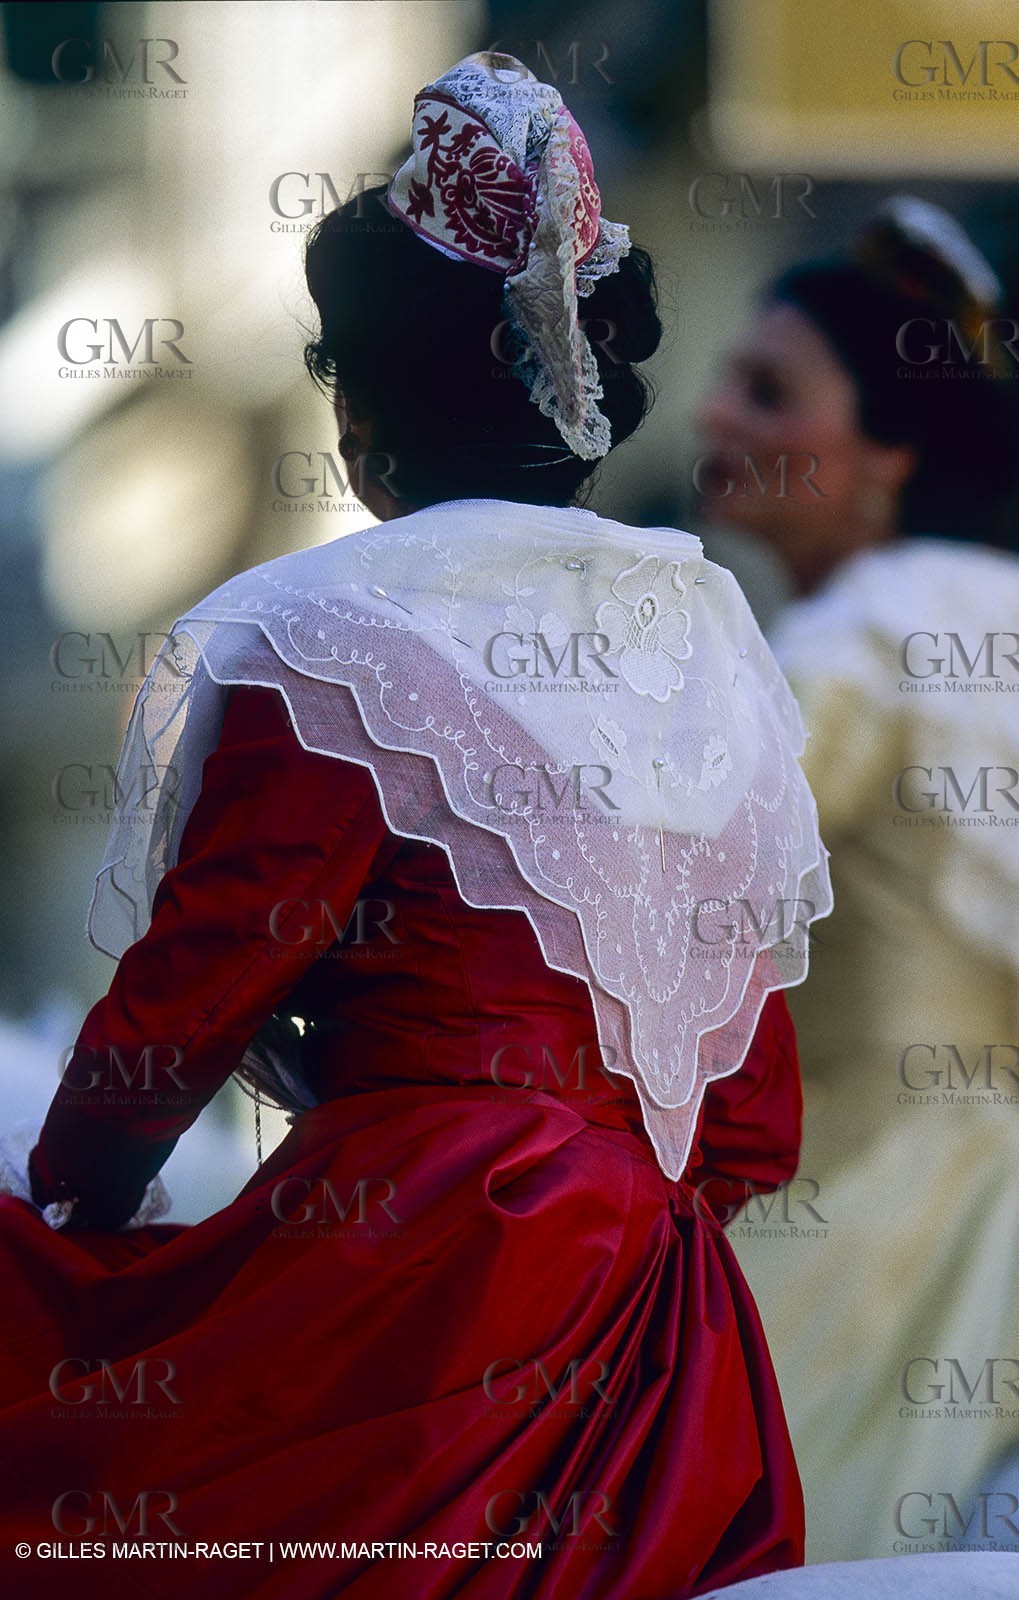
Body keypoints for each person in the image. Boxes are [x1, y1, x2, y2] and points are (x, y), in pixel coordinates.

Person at [0, 54, 829, 1599]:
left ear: (362, 411)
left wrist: (69, 1211)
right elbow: (753, 1113)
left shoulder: (337, 639)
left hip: (419, 1270)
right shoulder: (704, 635)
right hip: (659, 1338)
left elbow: (191, 991)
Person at [695, 196, 1019, 1564]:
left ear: (887, 447)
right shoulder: (989, 606)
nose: (716, 417)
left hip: (870, 1225)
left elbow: (681, 891)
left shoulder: (854, 636)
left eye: (769, 392)